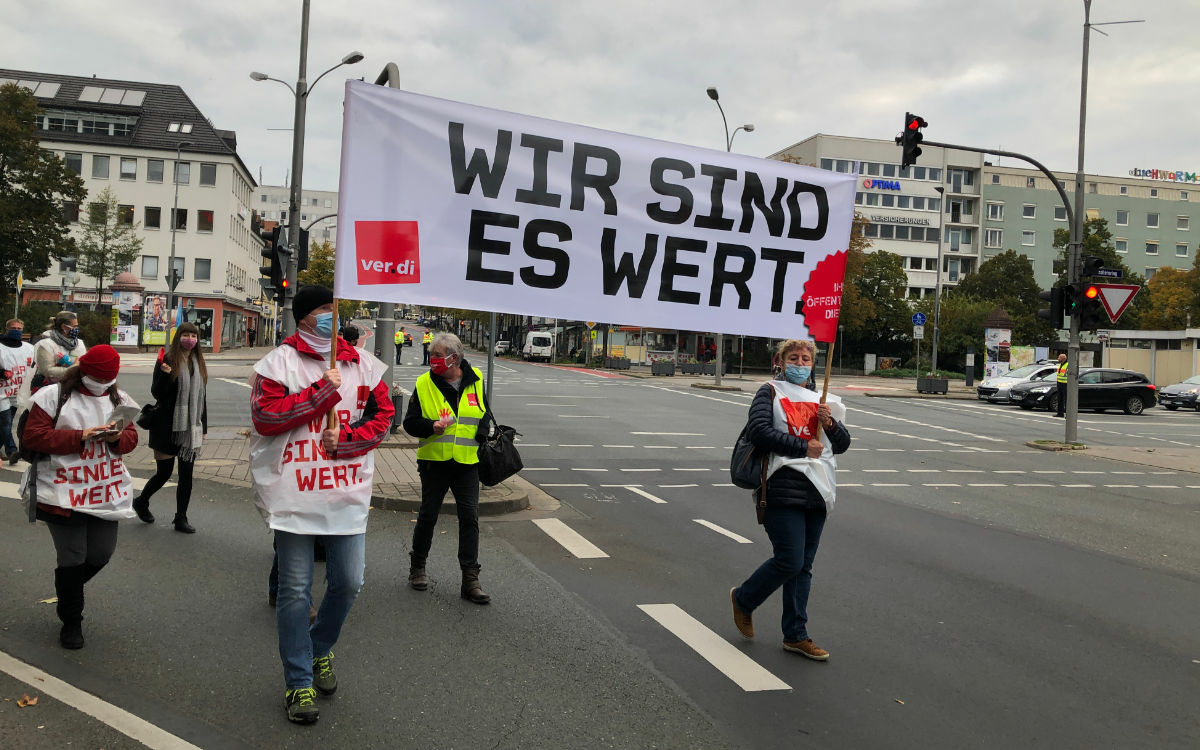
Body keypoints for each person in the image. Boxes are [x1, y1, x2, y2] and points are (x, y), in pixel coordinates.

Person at [249, 285, 393, 725]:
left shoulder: (364, 365)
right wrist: (320, 393)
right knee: (295, 591)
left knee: (348, 582)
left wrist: (345, 439)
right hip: (295, 497)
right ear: (306, 317)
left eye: (337, 309)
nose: (334, 316)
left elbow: (382, 419)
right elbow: (267, 417)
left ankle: (318, 649)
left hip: (344, 494)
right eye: (325, 310)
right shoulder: (277, 364)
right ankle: (298, 683)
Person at [730, 339, 851, 661]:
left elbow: (841, 444)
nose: (800, 362)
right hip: (780, 486)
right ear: (781, 361)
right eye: (794, 358)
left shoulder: (822, 400)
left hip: (819, 491)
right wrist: (801, 447)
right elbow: (758, 431)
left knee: (804, 568)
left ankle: (796, 635)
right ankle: (744, 598)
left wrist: (831, 424)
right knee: (790, 560)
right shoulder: (769, 393)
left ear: (813, 364)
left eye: (806, 358)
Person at [19, 345, 139, 649]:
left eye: (109, 379)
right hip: (62, 492)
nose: (104, 384)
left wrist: (117, 437)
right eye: (100, 378)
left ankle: (68, 588)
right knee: (72, 555)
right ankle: (71, 621)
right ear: (85, 371)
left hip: (102, 491)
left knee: (101, 553)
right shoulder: (52, 396)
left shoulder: (119, 398)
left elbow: (131, 439)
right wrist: (80, 436)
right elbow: (32, 436)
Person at [403, 332, 494, 605]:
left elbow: (483, 415)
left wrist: (482, 432)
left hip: (467, 463)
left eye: (438, 356)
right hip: (435, 462)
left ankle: (470, 580)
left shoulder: (475, 379)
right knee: (428, 515)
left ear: (454, 357)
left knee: (470, 518)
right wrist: (432, 427)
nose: (433, 361)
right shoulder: (424, 383)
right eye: (432, 356)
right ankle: (417, 567)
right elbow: (409, 423)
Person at [131, 323, 208, 533]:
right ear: (178, 337)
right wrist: (165, 374)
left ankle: (180, 518)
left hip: (190, 429)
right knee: (163, 473)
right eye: (186, 334)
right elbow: (157, 393)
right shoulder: (168, 359)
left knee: (186, 474)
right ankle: (142, 501)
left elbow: (202, 399)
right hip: (165, 425)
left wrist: (203, 428)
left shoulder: (198, 362)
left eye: (194, 335)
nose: (190, 338)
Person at [1, 319, 35, 464]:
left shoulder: (29, 348)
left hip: (18, 392)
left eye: (19, 328)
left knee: (4, 425)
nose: (16, 330)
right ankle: (12, 451)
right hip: (2, 393)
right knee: (6, 423)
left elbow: (33, 366)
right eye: (13, 328)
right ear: (6, 330)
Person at [32, 312, 88, 393]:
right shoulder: (46, 344)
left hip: (74, 389)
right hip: (49, 390)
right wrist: (73, 369)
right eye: (74, 326)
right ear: (64, 326)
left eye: (77, 326)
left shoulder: (79, 343)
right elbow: (47, 371)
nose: (77, 329)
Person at [1055, 353, 1068, 418]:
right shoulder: (1060, 364)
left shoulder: (1067, 365)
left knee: (1066, 400)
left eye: (1059, 357)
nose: (1058, 359)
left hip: (1065, 384)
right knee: (1060, 399)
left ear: (1063, 358)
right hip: (1059, 383)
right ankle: (1060, 413)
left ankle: (1068, 415)